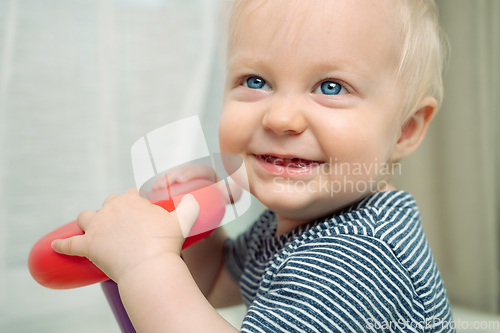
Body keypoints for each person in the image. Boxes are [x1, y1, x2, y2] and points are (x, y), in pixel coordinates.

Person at [52, 0, 455, 331]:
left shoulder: (356, 258)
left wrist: (144, 263)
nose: (280, 119)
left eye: (330, 87)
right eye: (255, 81)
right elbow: (213, 286)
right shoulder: (296, 225)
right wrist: (191, 228)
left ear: (404, 129)